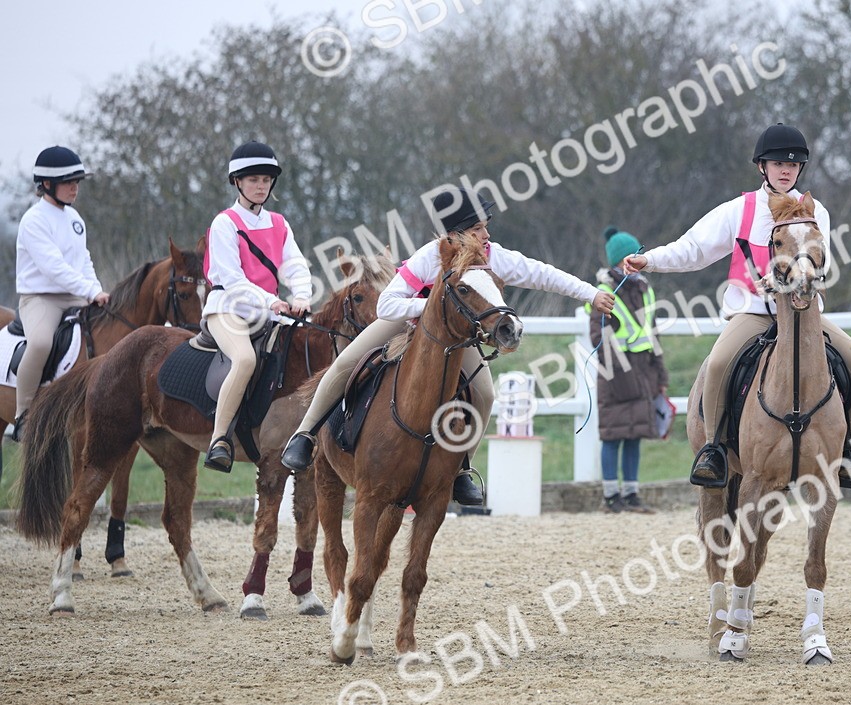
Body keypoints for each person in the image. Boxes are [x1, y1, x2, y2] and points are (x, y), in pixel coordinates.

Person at [281, 187, 617, 505]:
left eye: (485, 227)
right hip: (406, 321)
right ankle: (305, 434)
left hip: (452, 335)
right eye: (477, 228)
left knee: (484, 394)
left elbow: (544, 275)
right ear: (455, 234)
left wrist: (592, 294)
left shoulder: (493, 256)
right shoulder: (428, 257)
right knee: (344, 365)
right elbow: (386, 305)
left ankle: (461, 467)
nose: (486, 235)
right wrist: (429, 309)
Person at [621, 123, 851, 489]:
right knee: (720, 363)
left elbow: (822, 262)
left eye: (793, 165)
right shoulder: (739, 210)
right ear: (762, 167)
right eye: (777, 164)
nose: (786, 170)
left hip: (803, 314)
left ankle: (850, 447)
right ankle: (713, 449)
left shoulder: (815, 212)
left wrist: (792, 279)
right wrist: (651, 261)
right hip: (752, 312)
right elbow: (694, 248)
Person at [202, 141, 312, 472]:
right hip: (228, 307)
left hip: (271, 309)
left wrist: (302, 295)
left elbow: (294, 265)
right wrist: (271, 301)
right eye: (253, 180)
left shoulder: (279, 223)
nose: (260, 185)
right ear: (237, 182)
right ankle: (219, 439)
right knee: (246, 358)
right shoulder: (224, 223)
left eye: (265, 180)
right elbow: (234, 281)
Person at [12, 145, 110, 442]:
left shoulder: (74, 218)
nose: (74, 188)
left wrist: (97, 291)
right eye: (69, 182)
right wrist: (89, 290)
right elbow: (54, 268)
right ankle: (23, 415)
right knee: (41, 342)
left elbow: (84, 260)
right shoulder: (34, 220)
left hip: (76, 294)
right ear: (46, 185)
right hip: (41, 298)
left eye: (77, 182)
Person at [589, 226, 669, 513]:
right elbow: (600, 338)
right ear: (618, 261)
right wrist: (624, 379)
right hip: (617, 375)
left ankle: (632, 494)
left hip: (644, 371)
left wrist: (661, 376)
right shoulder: (604, 292)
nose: (636, 263)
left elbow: (653, 334)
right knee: (613, 434)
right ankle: (611, 496)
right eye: (631, 258)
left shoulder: (645, 289)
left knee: (635, 434)